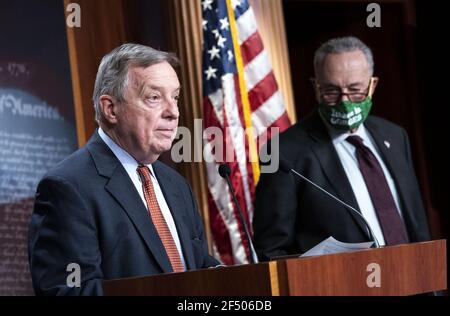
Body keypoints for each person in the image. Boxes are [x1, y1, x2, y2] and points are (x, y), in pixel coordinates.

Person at [28, 43, 220, 295]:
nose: (173, 112)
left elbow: (197, 265)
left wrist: (231, 278)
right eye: (154, 97)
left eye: (174, 97)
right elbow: (70, 291)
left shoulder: (176, 185)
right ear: (110, 109)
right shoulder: (68, 188)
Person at [253, 36, 431, 261]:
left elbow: (417, 225)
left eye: (355, 90)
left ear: (372, 85)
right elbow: (271, 251)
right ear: (316, 88)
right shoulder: (283, 152)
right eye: (331, 91)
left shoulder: (395, 136)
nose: (345, 101)